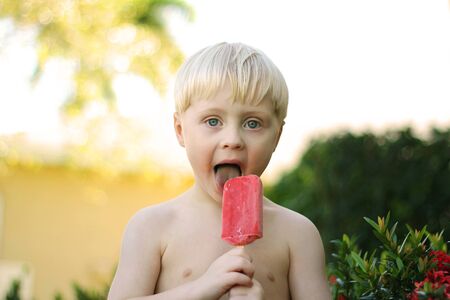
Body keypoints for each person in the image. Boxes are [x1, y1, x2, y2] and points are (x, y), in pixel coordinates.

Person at [108, 42, 331, 299]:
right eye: (213, 121)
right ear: (181, 130)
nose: (232, 139)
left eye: (253, 123)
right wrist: (198, 290)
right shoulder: (151, 227)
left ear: (277, 137)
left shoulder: (298, 234)